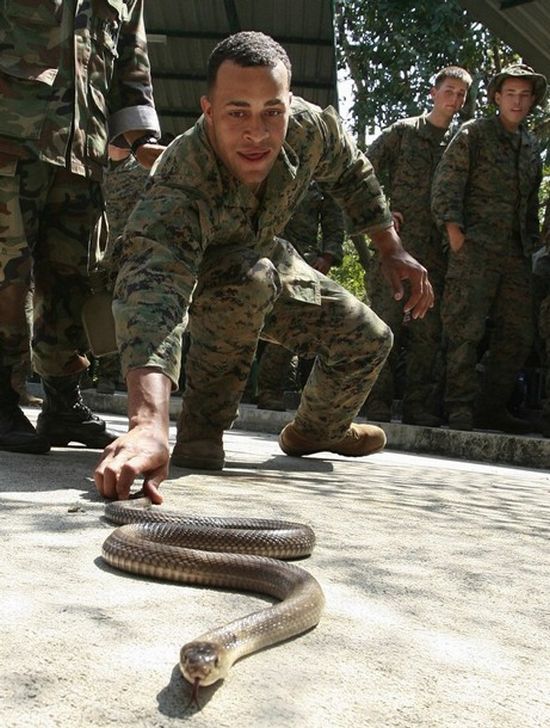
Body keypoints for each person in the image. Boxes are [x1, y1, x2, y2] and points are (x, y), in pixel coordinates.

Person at [94, 31, 433, 504]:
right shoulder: (181, 178)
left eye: (272, 111)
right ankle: (201, 431)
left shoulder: (310, 130)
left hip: (266, 257)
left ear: (289, 104)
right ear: (208, 110)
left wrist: (391, 248)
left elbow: (353, 173)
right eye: (237, 113)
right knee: (247, 278)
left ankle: (316, 431)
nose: (257, 133)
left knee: (369, 339)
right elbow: (153, 296)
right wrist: (149, 424)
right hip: (201, 280)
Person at [0, 1, 163, 455]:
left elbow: (132, 60)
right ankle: (1, 401)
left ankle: (62, 404)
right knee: (6, 274)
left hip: (82, 145)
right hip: (10, 131)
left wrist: (140, 138)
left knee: (73, 274)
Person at [432, 64, 547, 433]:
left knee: (518, 332)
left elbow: (529, 204)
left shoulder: (530, 148)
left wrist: (530, 246)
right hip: (475, 248)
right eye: (510, 93)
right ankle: (459, 407)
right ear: (497, 97)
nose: (518, 101)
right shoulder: (474, 134)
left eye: (524, 95)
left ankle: (490, 407)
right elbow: (447, 183)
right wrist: (455, 234)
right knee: (464, 329)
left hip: (514, 254)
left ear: (533, 101)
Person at [363, 66, 472, 426]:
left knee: (427, 332)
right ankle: (377, 402)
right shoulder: (404, 132)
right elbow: (363, 169)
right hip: (396, 249)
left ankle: (416, 405)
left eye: (461, 94)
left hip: (436, 254)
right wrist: (382, 212)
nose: (454, 99)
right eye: (449, 91)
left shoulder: (460, 142)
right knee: (385, 323)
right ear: (433, 92)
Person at [256, 180, 345, 411]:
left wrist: (328, 255)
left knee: (295, 324)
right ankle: (253, 388)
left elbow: (334, 220)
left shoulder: (320, 177)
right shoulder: (267, 160)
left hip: (301, 261)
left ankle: (273, 391)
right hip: (261, 253)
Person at [95, 143, 151, 395]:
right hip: (99, 256)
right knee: (103, 316)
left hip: (130, 255)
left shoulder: (144, 172)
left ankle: (124, 375)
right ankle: (105, 374)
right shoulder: (95, 169)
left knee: (129, 317)